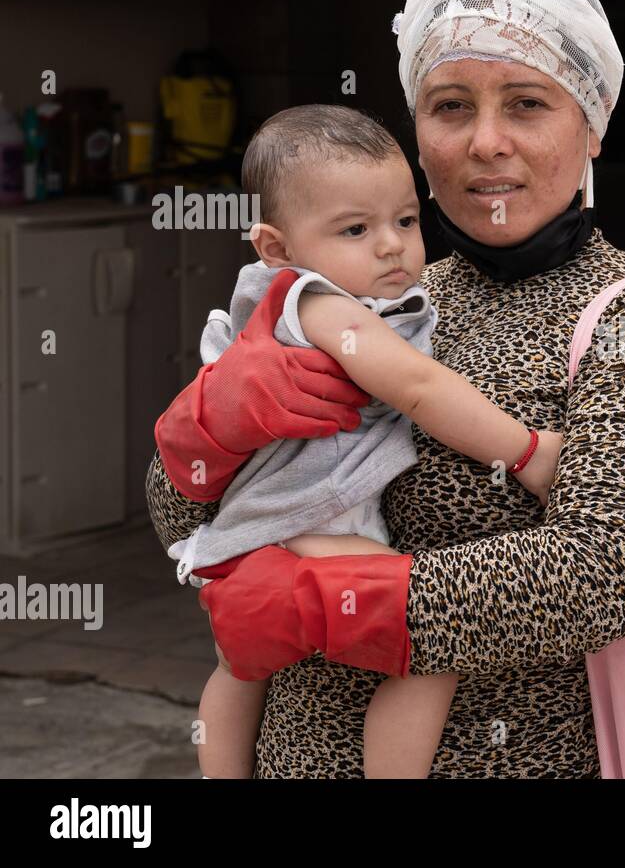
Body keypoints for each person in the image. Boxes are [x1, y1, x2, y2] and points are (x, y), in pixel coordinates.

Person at [146, 0, 625, 778]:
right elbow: (190, 525)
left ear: (593, 124)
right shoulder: (373, 292)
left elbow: (611, 570)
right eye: (451, 106)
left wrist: (337, 603)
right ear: (419, 133)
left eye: (528, 105)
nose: (485, 142)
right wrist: (202, 436)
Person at [178, 104, 564, 778]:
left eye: (405, 221)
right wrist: (527, 453)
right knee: (432, 645)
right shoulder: (320, 303)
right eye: (355, 228)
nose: (391, 245)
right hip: (300, 529)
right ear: (275, 248)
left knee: (238, 667)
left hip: (255, 536)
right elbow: (417, 387)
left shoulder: (332, 299)